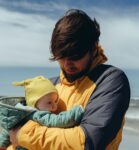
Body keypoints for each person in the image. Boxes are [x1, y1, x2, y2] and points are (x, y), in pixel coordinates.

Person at [8, 9, 130, 150]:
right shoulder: (51, 86)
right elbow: (17, 126)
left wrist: (23, 135)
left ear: (93, 48)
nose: (66, 64)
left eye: (75, 56)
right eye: (61, 56)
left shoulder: (110, 80)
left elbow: (87, 142)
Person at [0, 76, 84, 150]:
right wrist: (76, 112)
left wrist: (2, 144)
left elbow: (7, 130)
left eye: (55, 101)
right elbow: (58, 121)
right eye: (49, 103)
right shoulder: (38, 115)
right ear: (35, 103)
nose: (55, 107)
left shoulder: (17, 113)